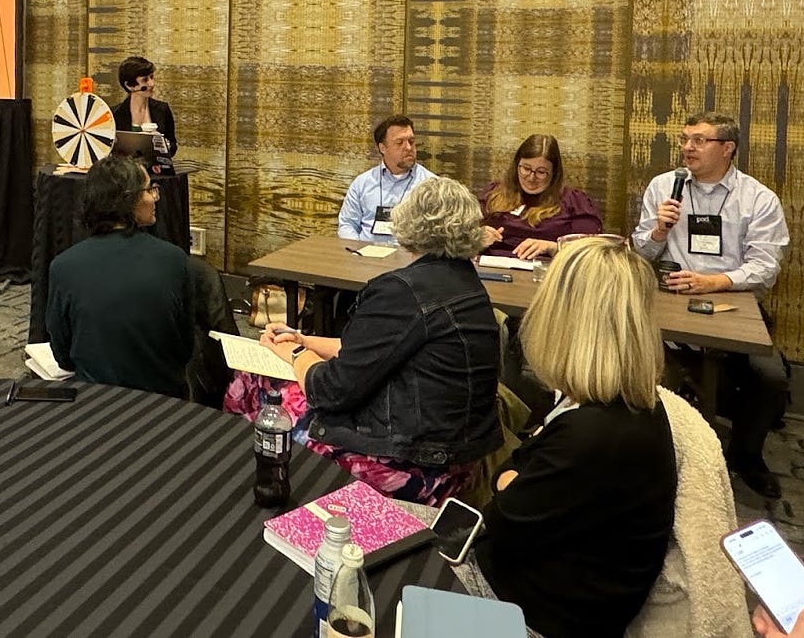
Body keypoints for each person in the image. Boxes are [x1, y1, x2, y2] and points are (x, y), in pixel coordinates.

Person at [234, 176, 501, 506]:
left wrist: (295, 352)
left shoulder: (402, 290)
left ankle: (260, 492)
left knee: (254, 384)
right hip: (456, 454)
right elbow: (368, 350)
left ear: (409, 224)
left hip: (411, 464)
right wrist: (305, 339)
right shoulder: (465, 281)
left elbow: (330, 390)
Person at [469, 237, 676, 638]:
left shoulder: (594, 434)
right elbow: (513, 480)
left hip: (530, 615)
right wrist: (510, 480)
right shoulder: (614, 406)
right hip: (552, 590)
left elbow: (503, 520)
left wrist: (509, 481)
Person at [632, 111, 790, 500]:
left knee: (771, 380)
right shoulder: (665, 186)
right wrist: (659, 230)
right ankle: (658, 456)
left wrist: (713, 282)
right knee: (643, 365)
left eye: (700, 140)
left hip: (733, 305)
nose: (688, 147)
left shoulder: (757, 198)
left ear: (727, 148)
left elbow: (765, 267)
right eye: (685, 138)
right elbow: (640, 249)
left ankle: (748, 454)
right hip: (671, 299)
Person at [46, 154, 197, 397]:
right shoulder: (174, 259)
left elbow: (63, 357)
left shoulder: (62, 267)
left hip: (93, 403)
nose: (155, 197)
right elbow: (185, 348)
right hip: (166, 404)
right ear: (129, 199)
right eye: (150, 190)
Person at [479, 133, 602, 259]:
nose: (532, 178)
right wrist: (476, 239)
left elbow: (590, 250)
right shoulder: (494, 192)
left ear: (554, 173)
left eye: (541, 172)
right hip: (492, 269)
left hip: (545, 272)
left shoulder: (574, 201)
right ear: (516, 166)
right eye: (526, 169)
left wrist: (553, 247)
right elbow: (462, 238)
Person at [337, 114, 436, 242]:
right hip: (367, 258)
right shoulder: (362, 183)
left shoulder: (432, 186)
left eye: (411, 141)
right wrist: (357, 253)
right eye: (399, 142)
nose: (408, 148)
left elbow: (439, 233)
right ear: (383, 148)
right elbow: (347, 224)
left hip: (410, 259)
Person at [111, 55, 178, 157]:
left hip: (156, 170)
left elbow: (173, 148)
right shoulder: (114, 113)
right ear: (129, 85)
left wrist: (164, 144)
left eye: (151, 77)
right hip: (126, 170)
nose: (152, 83)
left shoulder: (162, 109)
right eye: (145, 80)